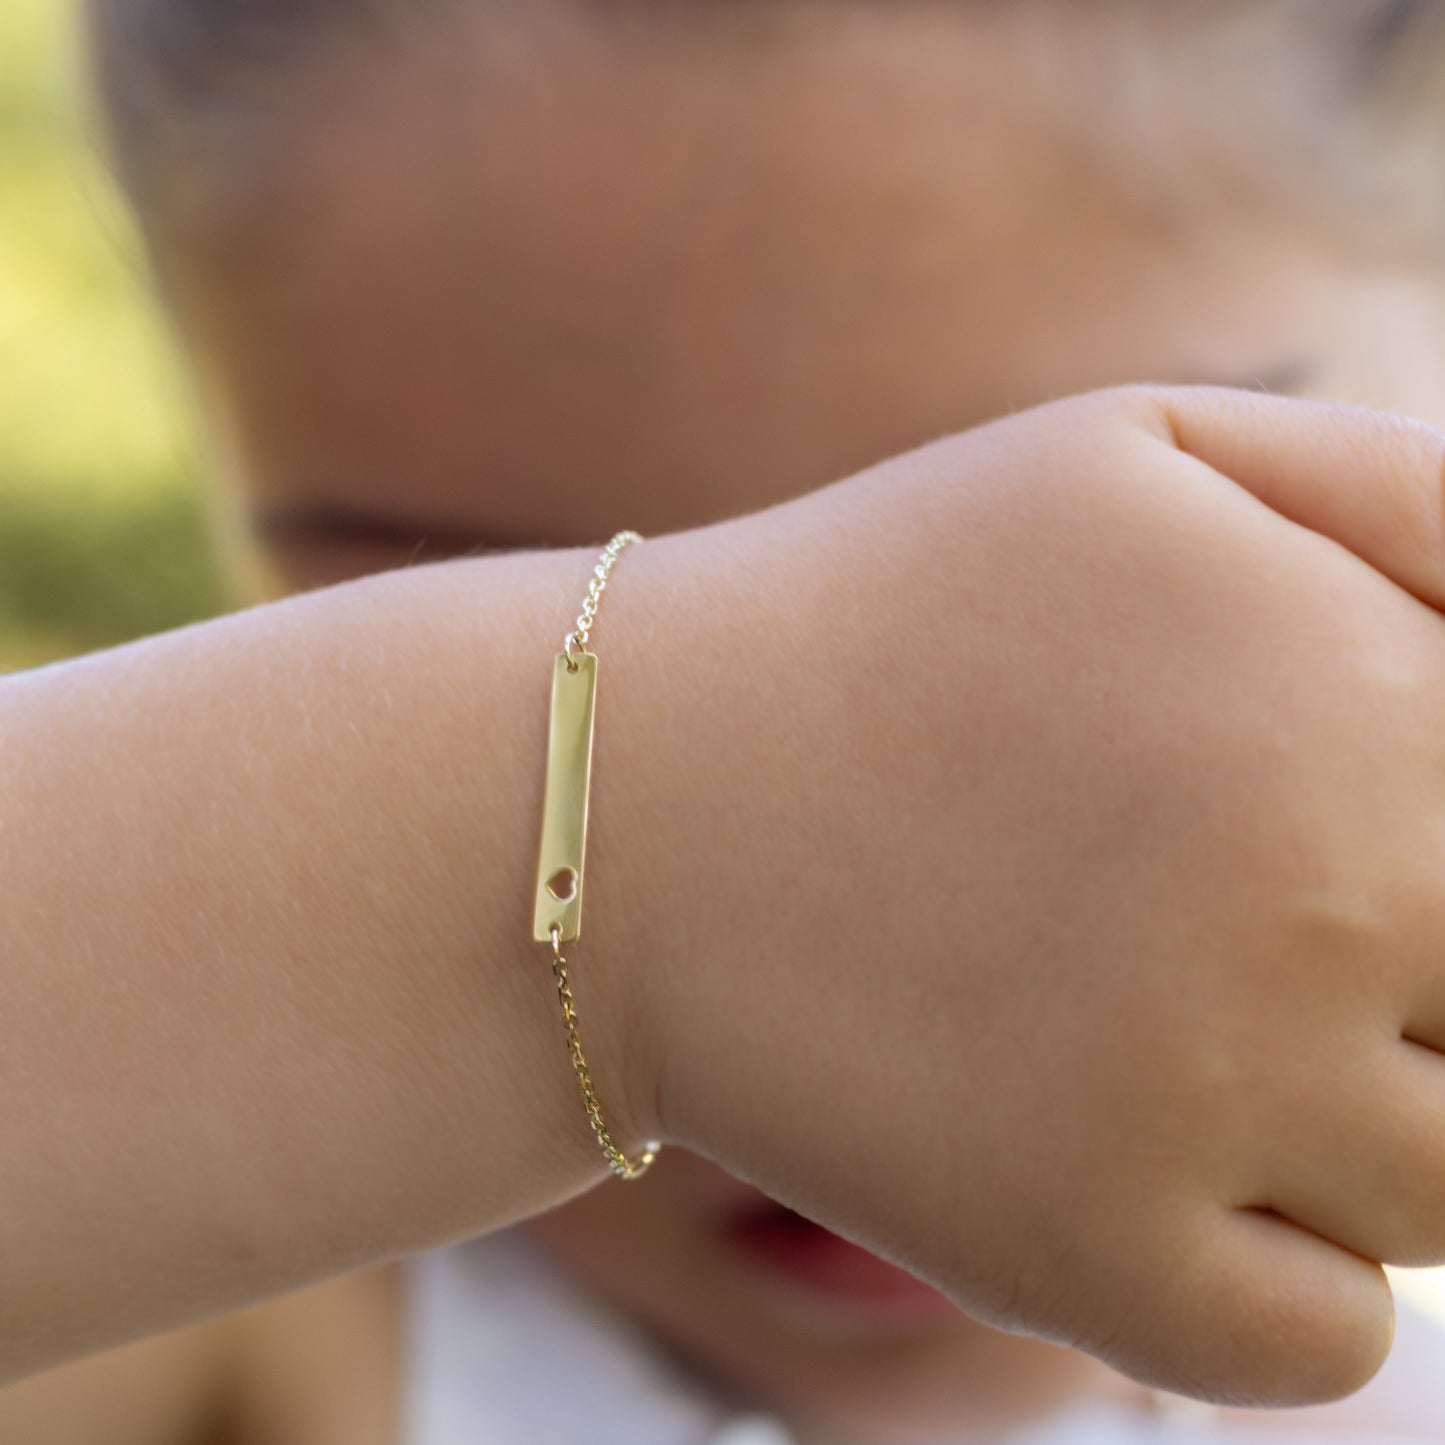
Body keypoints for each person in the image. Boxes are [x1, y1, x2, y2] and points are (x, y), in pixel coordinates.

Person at [6, 0, 1445, 1439]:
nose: (834, 917)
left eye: (1107, 622)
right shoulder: (245, 1319)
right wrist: (624, 879)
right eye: (473, 608)